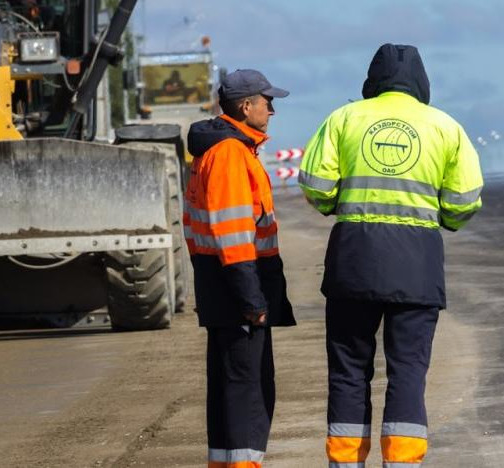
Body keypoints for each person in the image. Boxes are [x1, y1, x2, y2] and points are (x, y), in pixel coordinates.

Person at [298, 44, 483, 467]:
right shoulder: (445, 127)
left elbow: (315, 183)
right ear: (421, 81)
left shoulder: (343, 119)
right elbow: (465, 197)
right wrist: (447, 219)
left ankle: (345, 463)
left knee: (348, 371)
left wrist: (333, 205)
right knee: (408, 373)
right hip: (417, 268)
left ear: (372, 80)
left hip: (353, 263)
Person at [183, 68, 297, 468]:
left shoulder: (218, 149)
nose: (272, 111)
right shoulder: (231, 154)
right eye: (268, 103)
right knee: (249, 392)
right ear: (246, 106)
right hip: (238, 288)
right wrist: (252, 299)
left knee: (229, 388)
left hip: (219, 284)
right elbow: (233, 236)